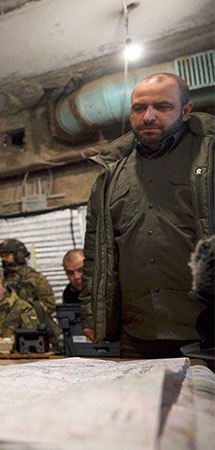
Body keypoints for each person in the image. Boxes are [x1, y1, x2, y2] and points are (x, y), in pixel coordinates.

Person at [81, 72, 213, 358]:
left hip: (204, 330)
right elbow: (96, 252)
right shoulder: (110, 173)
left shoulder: (208, 157)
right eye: (139, 108)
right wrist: (93, 316)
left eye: (162, 107)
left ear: (186, 111)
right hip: (137, 334)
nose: (148, 116)